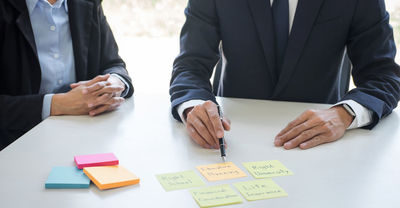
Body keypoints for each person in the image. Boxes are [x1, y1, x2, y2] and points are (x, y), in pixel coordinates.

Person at [170, 0, 400, 150]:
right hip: (232, 139)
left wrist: (344, 114)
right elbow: (191, 65)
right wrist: (195, 106)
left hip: (320, 147)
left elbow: (383, 76)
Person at [0, 0, 133, 150]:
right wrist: (56, 104)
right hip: (14, 147)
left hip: (84, 138)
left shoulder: (87, 3)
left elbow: (113, 64)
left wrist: (112, 84)